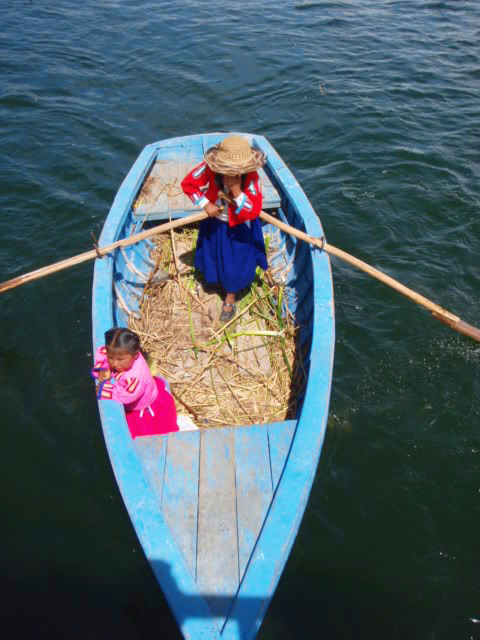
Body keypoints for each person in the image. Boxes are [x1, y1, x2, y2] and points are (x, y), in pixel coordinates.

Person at [181, 135, 268, 322]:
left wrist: (236, 190)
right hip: (215, 223)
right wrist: (205, 204)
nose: (230, 173)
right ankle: (214, 280)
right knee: (212, 255)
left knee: (235, 264)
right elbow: (188, 184)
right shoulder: (209, 169)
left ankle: (230, 295)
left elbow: (252, 212)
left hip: (240, 228)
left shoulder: (252, 179)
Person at [91, 327, 179, 439]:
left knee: (140, 435)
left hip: (142, 405)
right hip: (145, 389)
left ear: (136, 355)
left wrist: (106, 390)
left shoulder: (136, 375)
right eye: (110, 358)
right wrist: (103, 368)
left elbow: (127, 395)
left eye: (120, 360)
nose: (114, 363)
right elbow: (101, 351)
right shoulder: (122, 352)